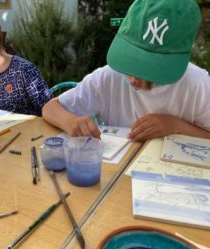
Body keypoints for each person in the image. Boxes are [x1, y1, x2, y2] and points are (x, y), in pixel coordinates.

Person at [42, 0, 210, 142]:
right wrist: (70, 121)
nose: (134, 78)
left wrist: (176, 127)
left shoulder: (197, 85)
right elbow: (50, 108)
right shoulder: (108, 77)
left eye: (149, 67)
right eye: (131, 59)